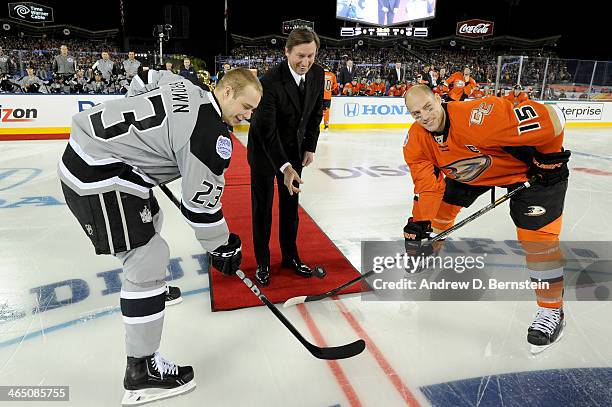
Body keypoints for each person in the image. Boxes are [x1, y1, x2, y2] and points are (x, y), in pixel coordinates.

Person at [58, 67, 262, 405]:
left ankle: (151, 294)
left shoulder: (186, 83)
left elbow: (143, 75)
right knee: (148, 257)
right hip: (97, 175)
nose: (248, 116)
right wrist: (223, 247)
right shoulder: (210, 137)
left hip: (95, 154)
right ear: (227, 93)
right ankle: (141, 372)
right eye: (246, 106)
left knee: (152, 216)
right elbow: (200, 209)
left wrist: (138, 143)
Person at [402, 85, 570, 353]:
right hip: (473, 169)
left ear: (438, 98)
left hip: (530, 173)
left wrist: (549, 159)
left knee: (537, 241)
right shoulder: (416, 140)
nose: (424, 116)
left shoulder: (481, 118)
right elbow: (427, 187)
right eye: (416, 113)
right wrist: (420, 225)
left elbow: (554, 118)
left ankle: (552, 311)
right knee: (439, 211)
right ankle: (431, 248)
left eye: (428, 107)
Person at [247, 28, 324, 286]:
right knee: (263, 210)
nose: (305, 62)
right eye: (300, 56)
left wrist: (309, 146)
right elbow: (267, 132)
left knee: (290, 210)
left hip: (294, 151)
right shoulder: (269, 83)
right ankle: (263, 262)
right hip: (264, 154)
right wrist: (285, 166)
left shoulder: (318, 73)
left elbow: (314, 114)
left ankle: (290, 257)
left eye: (311, 56)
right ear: (287, 52)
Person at [323, 66, 338, 131]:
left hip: (319, 96)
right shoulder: (332, 75)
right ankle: (326, 126)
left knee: (317, 111)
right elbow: (335, 85)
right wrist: (330, 90)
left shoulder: (320, 74)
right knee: (326, 112)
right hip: (328, 96)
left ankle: (315, 125)